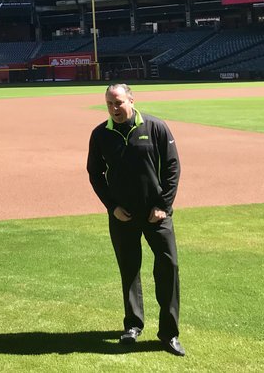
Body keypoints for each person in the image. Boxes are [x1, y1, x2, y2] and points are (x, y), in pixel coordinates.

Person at [87, 83, 185, 356]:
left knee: (168, 268)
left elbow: (172, 167)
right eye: (109, 104)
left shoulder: (155, 127)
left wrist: (163, 205)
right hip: (123, 215)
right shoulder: (100, 134)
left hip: (157, 215)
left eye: (118, 102)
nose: (114, 108)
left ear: (131, 100)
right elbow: (95, 174)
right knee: (129, 271)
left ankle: (169, 333)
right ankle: (133, 325)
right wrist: (112, 207)